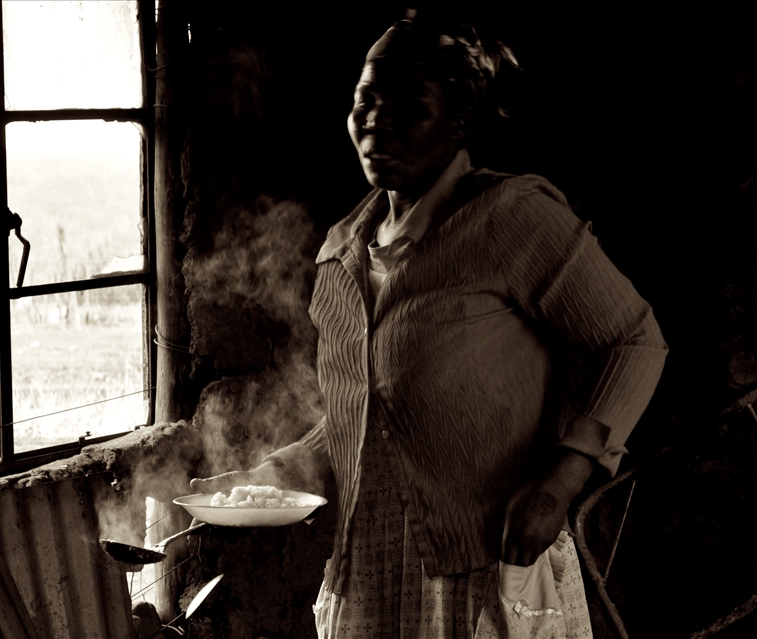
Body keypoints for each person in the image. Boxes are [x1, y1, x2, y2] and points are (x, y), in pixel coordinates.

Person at [191, 11, 667, 639]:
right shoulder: (342, 252)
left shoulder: (510, 217)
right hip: (371, 573)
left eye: (407, 106)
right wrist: (269, 478)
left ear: (458, 120)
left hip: (485, 568)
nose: (376, 120)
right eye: (366, 100)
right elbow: (368, 417)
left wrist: (562, 478)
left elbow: (634, 340)